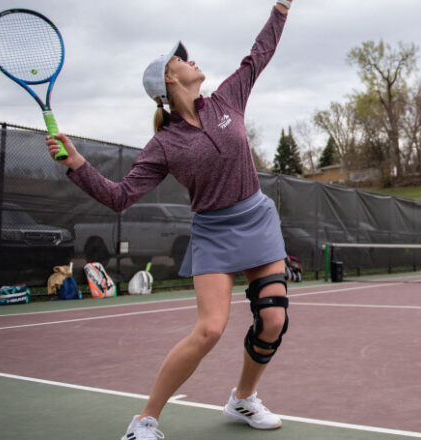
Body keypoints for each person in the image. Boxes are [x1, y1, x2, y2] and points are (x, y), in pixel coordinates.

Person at [45, 1, 294, 438]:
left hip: (256, 216)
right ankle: (144, 421)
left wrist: (281, 8)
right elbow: (120, 197)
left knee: (273, 318)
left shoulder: (228, 98)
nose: (191, 59)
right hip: (214, 232)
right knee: (210, 330)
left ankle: (242, 400)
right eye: (181, 58)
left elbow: (260, 53)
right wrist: (78, 164)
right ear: (169, 78)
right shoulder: (163, 144)